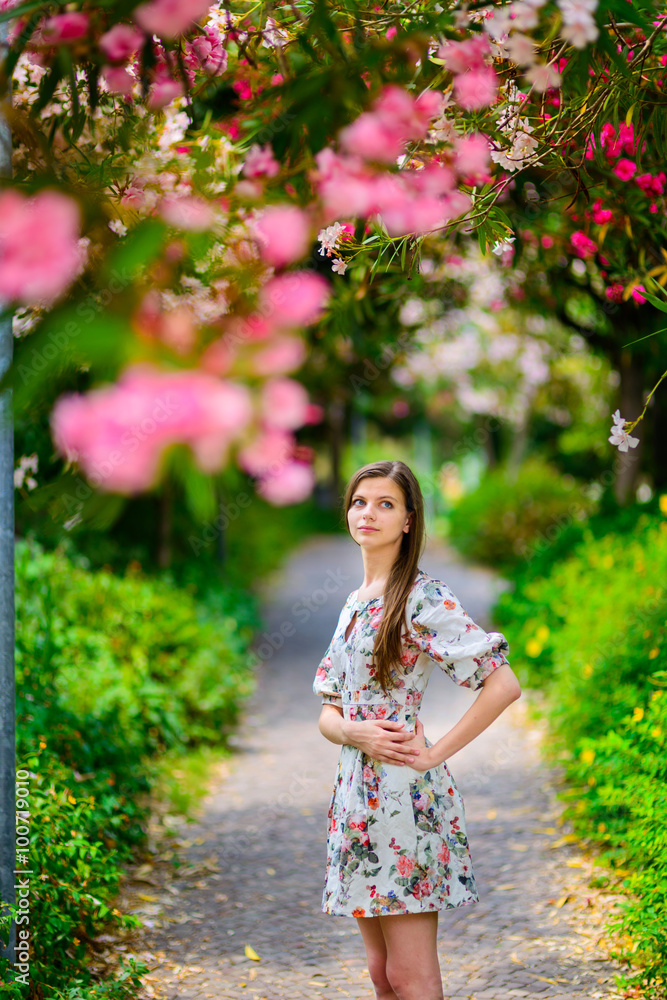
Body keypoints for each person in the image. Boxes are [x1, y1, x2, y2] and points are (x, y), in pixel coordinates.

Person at [313, 460, 521, 1000]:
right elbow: (328, 711)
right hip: (356, 795)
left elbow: (502, 684)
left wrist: (433, 756)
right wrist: (352, 733)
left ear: (408, 520)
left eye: (386, 504)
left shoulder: (422, 597)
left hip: (405, 798)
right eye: (360, 501)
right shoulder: (355, 603)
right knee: (381, 973)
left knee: (411, 976)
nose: (369, 513)